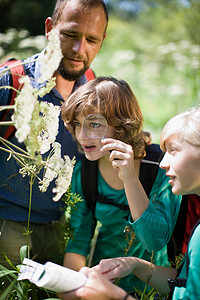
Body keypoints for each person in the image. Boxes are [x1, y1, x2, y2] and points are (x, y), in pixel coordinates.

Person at [0, 0, 108, 270]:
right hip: (7, 231)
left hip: (61, 234)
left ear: (102, 41)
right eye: (70, 34)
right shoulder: (10, 82)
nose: (78, 49)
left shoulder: (93, 91)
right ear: (50, 28)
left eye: (91, 39)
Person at [62, 106, 200, 300]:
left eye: (173, 151)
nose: (163, 162)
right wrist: (133, 264)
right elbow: (181, 282)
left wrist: (116, 296)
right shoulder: (84, 171)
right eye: (77, 124)